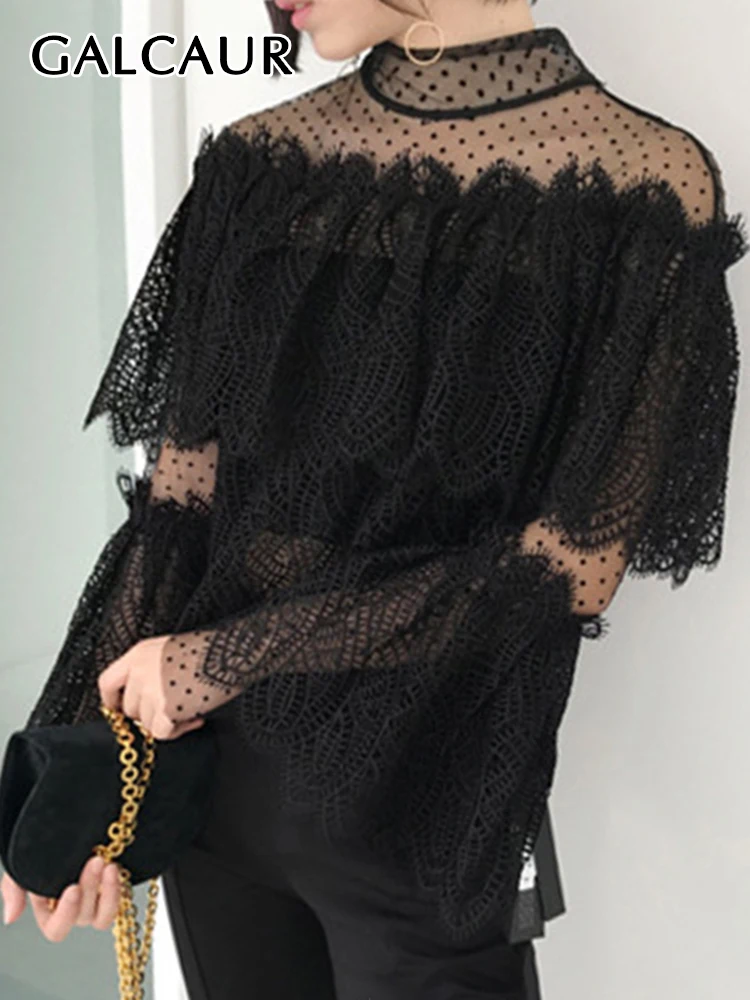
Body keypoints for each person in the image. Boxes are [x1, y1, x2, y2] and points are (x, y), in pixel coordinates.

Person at [2, 0, 747, 997]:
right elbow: (179, 513)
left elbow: (570, 567)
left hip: (426, 808)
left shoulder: (641, 187)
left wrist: (219, 660)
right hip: (217, 797)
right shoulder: (260, 164)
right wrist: (80, 760)